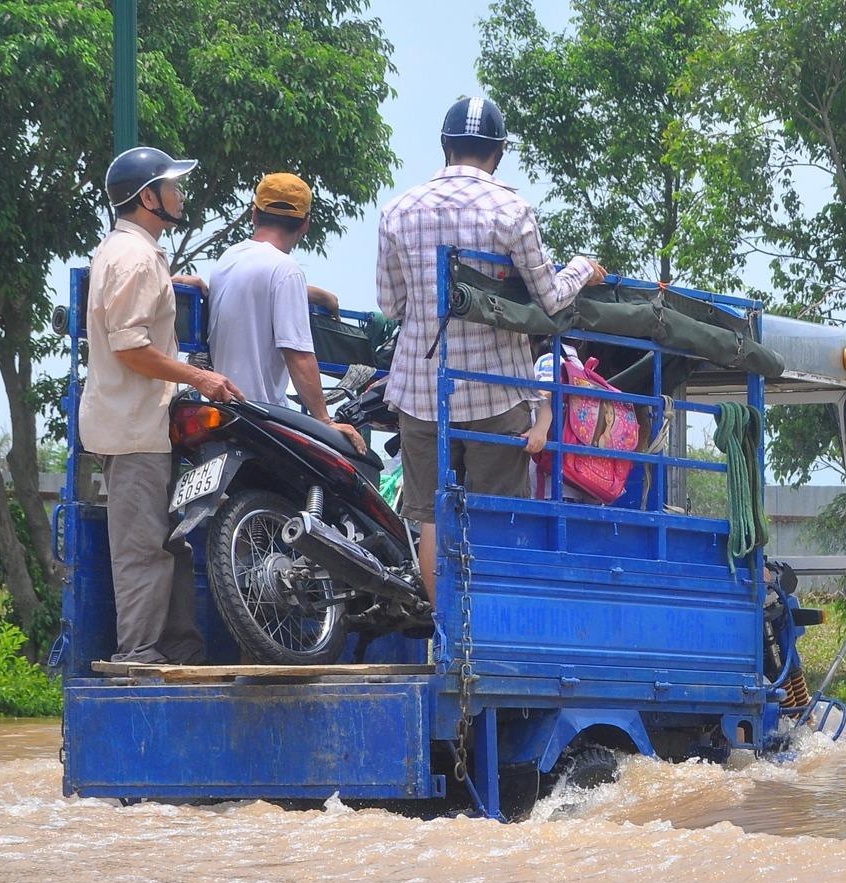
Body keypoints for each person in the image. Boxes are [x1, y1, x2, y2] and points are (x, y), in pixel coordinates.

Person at [376, 95, 606, 603]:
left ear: (444, 146)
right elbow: (549, 299)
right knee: (497, 518)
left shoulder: (398, 211)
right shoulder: (512, 210)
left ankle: (445, 636)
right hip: (496, 394)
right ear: (498, 153)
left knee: (434, 517)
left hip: (420, 391)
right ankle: (489, 629)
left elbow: (391, 305)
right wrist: (582, 269)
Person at [80, 146, 244, 663]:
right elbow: (130, 347)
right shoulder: (133, 258)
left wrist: (175, 284)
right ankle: (139, 654)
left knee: (170, 544)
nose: (180, 193)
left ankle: (178, 650)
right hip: (132, 430)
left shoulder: (135, 254)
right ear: (148, 197)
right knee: (142, 549)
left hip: (144, 426)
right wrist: (201, 376)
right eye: (171, 185)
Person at [206, 172, 365, 453]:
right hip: (262, 417)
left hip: (222, 411)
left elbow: (257, 287)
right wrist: (324, 420)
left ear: (254, 215)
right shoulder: (285, 269)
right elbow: (298, 355)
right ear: (305, 225)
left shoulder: (228, 259)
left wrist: (315, 293)